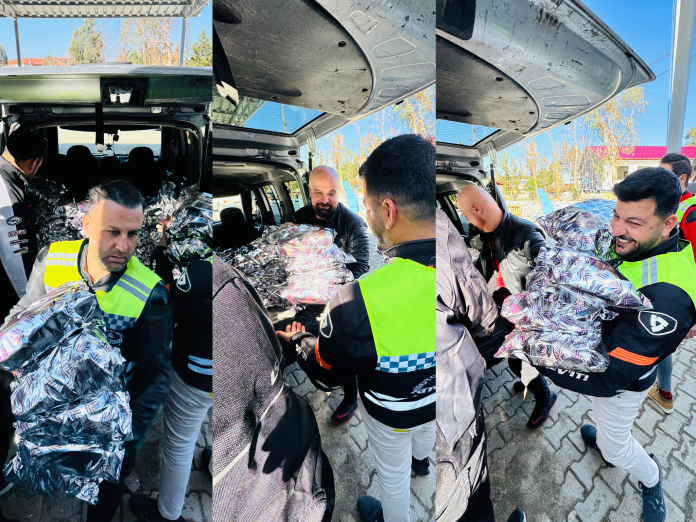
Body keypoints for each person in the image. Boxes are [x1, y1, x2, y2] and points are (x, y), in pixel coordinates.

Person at [277, 134, 436, 522]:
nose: (327, 199)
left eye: (366, 207)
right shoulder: (465, 270)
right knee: (425, 431)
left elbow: (326, 373)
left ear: (387, 211)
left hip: (389, 409)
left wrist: (298, 338)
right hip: (436, 398)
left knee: (392, 476)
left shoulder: (356, 301)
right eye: (319, 192)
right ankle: (424, 461)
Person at [5, 180, 174, 522]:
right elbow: (20, 317)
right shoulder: (53, 259)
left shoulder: (149, 293)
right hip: (49, 413)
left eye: (133, 234)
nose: (123, 246)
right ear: (86, 225)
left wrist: (127, 437)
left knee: (105, 495)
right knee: (48, 471)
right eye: (112, 231)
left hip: (105, 430)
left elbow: (155, 374)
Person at [535, 168, 696, 522]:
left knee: (616, 446)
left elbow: (610, 377)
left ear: (668, 223)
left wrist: (541, 357)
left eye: (633, 222)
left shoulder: (668, 297)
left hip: (622, 382)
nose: (617, 229)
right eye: (616, 215)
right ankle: (608, 439)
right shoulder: (640, 244)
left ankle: (650, 477)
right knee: (604, 422)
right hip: (602, 353)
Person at [211, 256, 335, 522]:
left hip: (275, 480)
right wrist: (298, 340)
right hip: (294, 487)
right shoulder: (223, 282)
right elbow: (324, 375)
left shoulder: (220, 282)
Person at [435, 208, 525, 522]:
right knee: (465, 492)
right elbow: (481, 314)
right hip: (451, 404)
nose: (471, 217)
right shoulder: (435, 228)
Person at [129, 205, 212, 522]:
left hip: (197, 373)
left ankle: (167, 514)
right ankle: (218, 465)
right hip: (233, 366)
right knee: (222, 421)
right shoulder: (243, 264)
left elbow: (167, 296)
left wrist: (164, 244)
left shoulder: (202, 273)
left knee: (178, 445)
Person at [457, 184, 556, 430]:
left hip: (523, 317)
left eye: (466, 215)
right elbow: (484, 266)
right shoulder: (485, 234)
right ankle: (528, 378)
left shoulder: (527, 234)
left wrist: (530, 319)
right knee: (513, 359)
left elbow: (550, 281)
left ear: (477, 209)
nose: (467, 220)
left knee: (517, 360)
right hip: (499, 311)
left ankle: (545, 396)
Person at [290, 165, 371, 426]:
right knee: (309, 339)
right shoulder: (300, 216)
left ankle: (351, 398)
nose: (325, 200)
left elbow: (361, 266)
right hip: (304, 298)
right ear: (309, 191)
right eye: (319, 193)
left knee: (345, 349)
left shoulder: (353, 223)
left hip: (338, 299)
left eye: (332, 193)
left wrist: (322, 275)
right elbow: (290, 253)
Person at [0, 128, 46, 505]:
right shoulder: (6, 193)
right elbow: (14, 259)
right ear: (34, 162)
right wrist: (28, 309)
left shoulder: (9, 179)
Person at [648, 154, 696, 414]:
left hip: (676, 294)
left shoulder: (691, 212)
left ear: (682, 178)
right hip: (660, 286)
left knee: (662, 344)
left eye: (665, 174)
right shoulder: (668, 205)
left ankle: (664, 393)